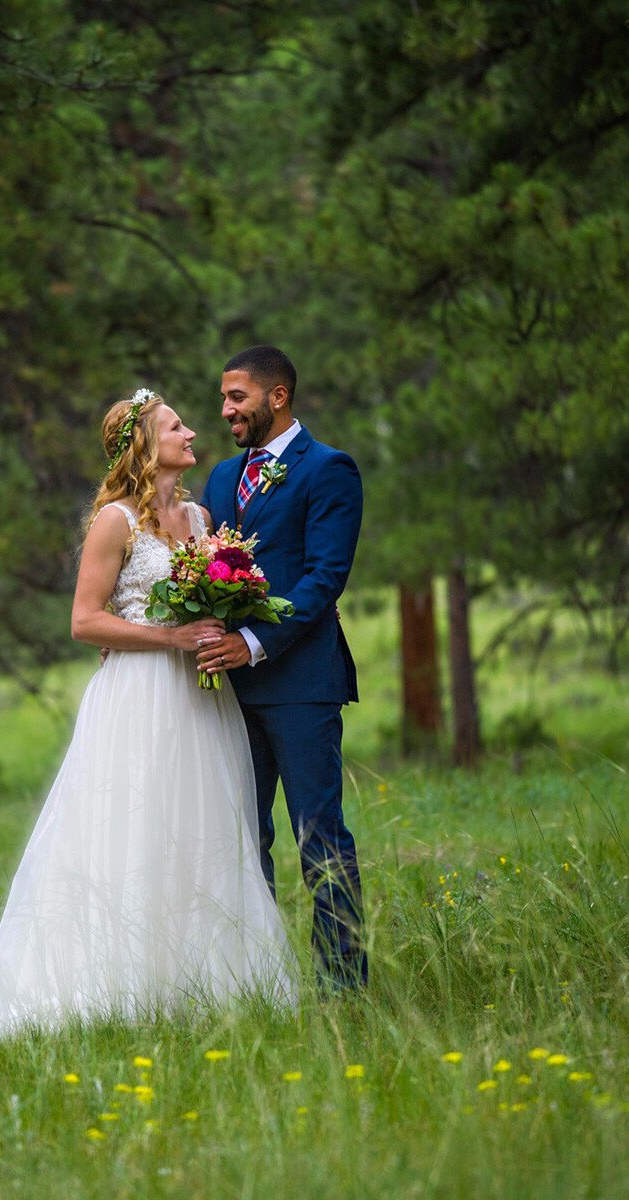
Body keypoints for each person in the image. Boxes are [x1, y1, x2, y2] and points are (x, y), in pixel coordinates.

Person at [0, 389, 295, 1041]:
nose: (192, 432)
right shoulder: (115, 521)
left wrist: (218, 616)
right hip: (138, 696)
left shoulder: (198, 515)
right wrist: (170, 638)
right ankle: (118, 981)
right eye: (175, 426)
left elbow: (195, 600)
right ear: (144, 445)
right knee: (132, 828)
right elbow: (85, 621)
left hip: (196, 699)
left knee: (197, 827)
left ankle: (199, 983)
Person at [198, 346, 368, 991]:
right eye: (223, 398)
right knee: (242, 839)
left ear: (277, 396)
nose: (225, 410)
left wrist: (253, 641)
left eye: (237, 397)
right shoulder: (219, 477)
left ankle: (343, 985)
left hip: (300, 686)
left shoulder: (329, 470)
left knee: (319, 836)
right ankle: (259, 981)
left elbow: (325, 578)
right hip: (224, 692)